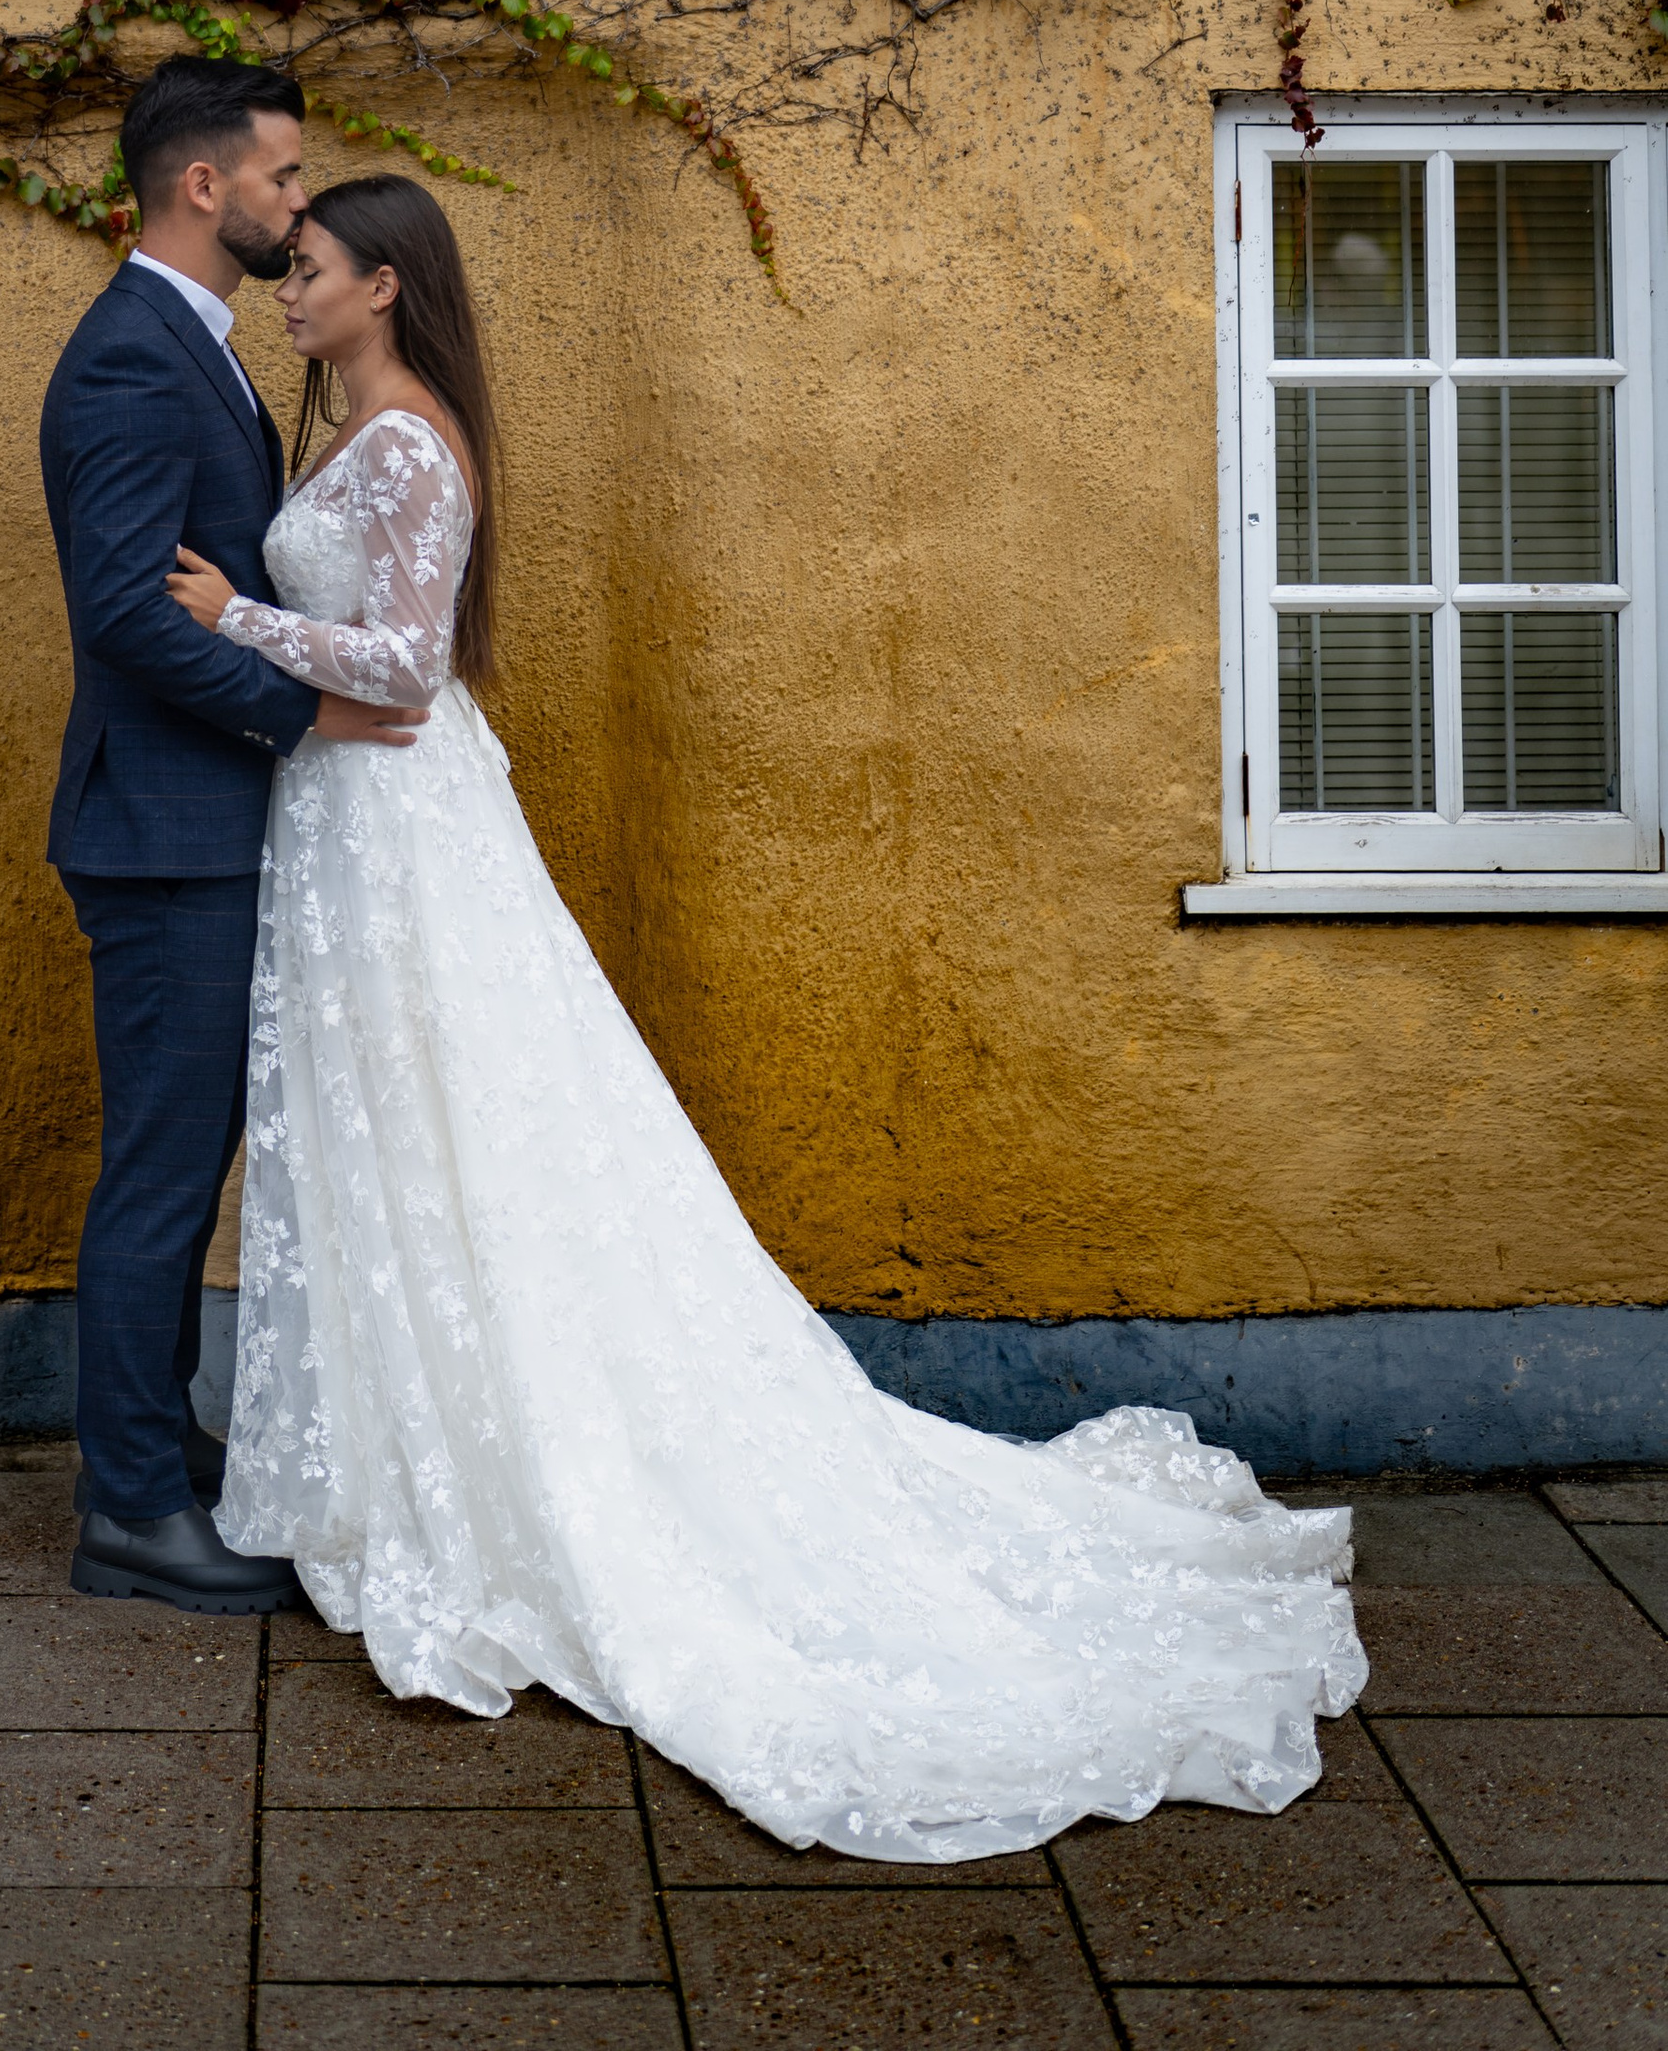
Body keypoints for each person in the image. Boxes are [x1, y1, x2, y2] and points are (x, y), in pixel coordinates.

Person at [162, 168, 1367, 1861]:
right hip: (352, 821)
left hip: (398, 825)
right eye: (287, 266)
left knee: (459, 1121)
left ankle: (516, 1470)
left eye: (309, 268)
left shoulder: (413, 442)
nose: (286, 287)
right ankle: (402, 1454)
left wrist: (236, 618)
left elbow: (413, 666)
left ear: (385, 286)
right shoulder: (359, 430)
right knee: (400, 1132)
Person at [38, 53, 422, 1617]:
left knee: (183, 1157)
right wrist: (302, 714)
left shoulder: (187, 345)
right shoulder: (134, 360)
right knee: (162, 1166)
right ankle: (132, 1508)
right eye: (282, 176)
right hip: (162, 836)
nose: (297, 202)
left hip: (195, 824)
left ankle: (155, 1449)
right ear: (204, 186)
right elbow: (130, 614)